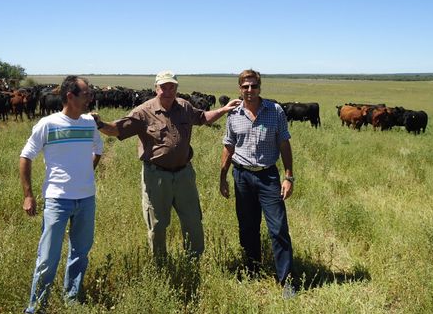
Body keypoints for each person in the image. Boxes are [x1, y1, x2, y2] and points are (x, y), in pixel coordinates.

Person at [94, 70, 240, 260]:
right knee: (157, 223)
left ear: (177, 88)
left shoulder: (185, 107)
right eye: (164, 87)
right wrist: (99, 123)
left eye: (172, 86)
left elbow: (203, 118)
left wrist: (223, 110)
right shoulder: (143, 111)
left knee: (193, 220)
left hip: (184, 175)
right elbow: (116, 129)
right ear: (156, 88)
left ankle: (193, 260)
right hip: (157, 176)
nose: (168, 91)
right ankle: (160, 263)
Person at [20, 75, 103, 313]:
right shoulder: (48, 124)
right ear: (70, 96)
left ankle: (72, 300)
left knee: (80, 253)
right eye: (86, 94)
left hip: (86, 199)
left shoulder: (89, 123)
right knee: (47, 258)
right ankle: (36, 307)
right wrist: (28, 195)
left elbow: (99, 149)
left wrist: (88, 171)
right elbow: (26, 156)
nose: (90, 98)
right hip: (57, 200)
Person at [219, 69, 296, 299]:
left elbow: (284, 144)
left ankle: (287, 281)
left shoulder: (275, 111)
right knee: (247, 226)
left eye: (253, 86)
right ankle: (252, 269)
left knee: (278, 228)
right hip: (242, 176)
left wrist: (288, 176)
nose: (249, 90)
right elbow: (228, 146)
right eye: (245, 86)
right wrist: (222, 177)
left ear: (260, 87)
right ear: (239, 88)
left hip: (268, 177)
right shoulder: (234, 114)